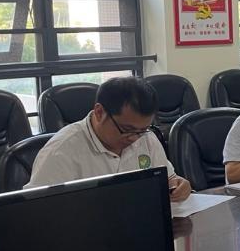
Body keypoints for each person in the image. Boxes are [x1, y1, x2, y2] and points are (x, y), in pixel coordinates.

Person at [27, 76, 192, 201]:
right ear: (99, 112)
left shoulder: (146, 137)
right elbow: (36, 210)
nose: (134, 138)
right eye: (127, 130)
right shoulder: (61, 152)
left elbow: (169, 179)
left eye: (142, 130)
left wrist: (178, 185)